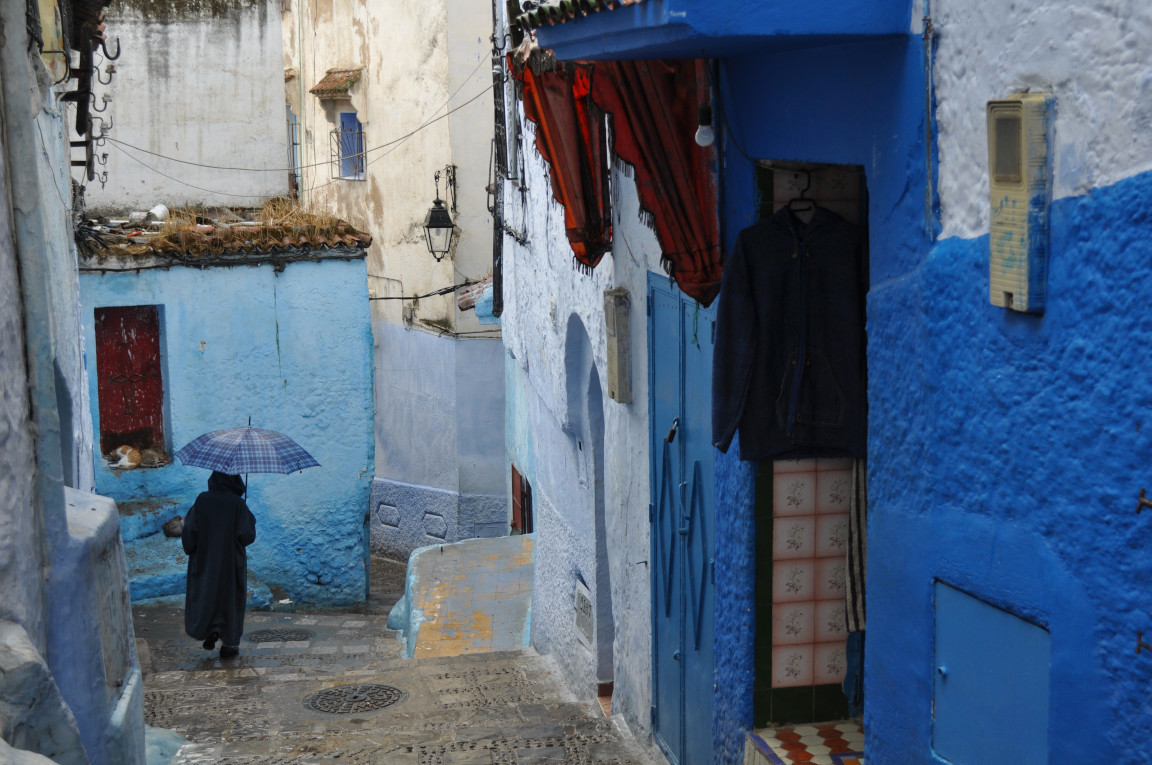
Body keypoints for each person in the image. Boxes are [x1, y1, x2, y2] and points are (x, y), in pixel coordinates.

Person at [181, 471, 256, 659]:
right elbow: (246, 536)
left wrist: (191, 548)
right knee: (230, 598)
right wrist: (247, 515)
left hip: (205, 562)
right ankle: (229, 643)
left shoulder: (202, 500)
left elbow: (190, 532)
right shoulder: (237, 504)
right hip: (230, 564)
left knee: (206, 595)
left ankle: (209, 630)